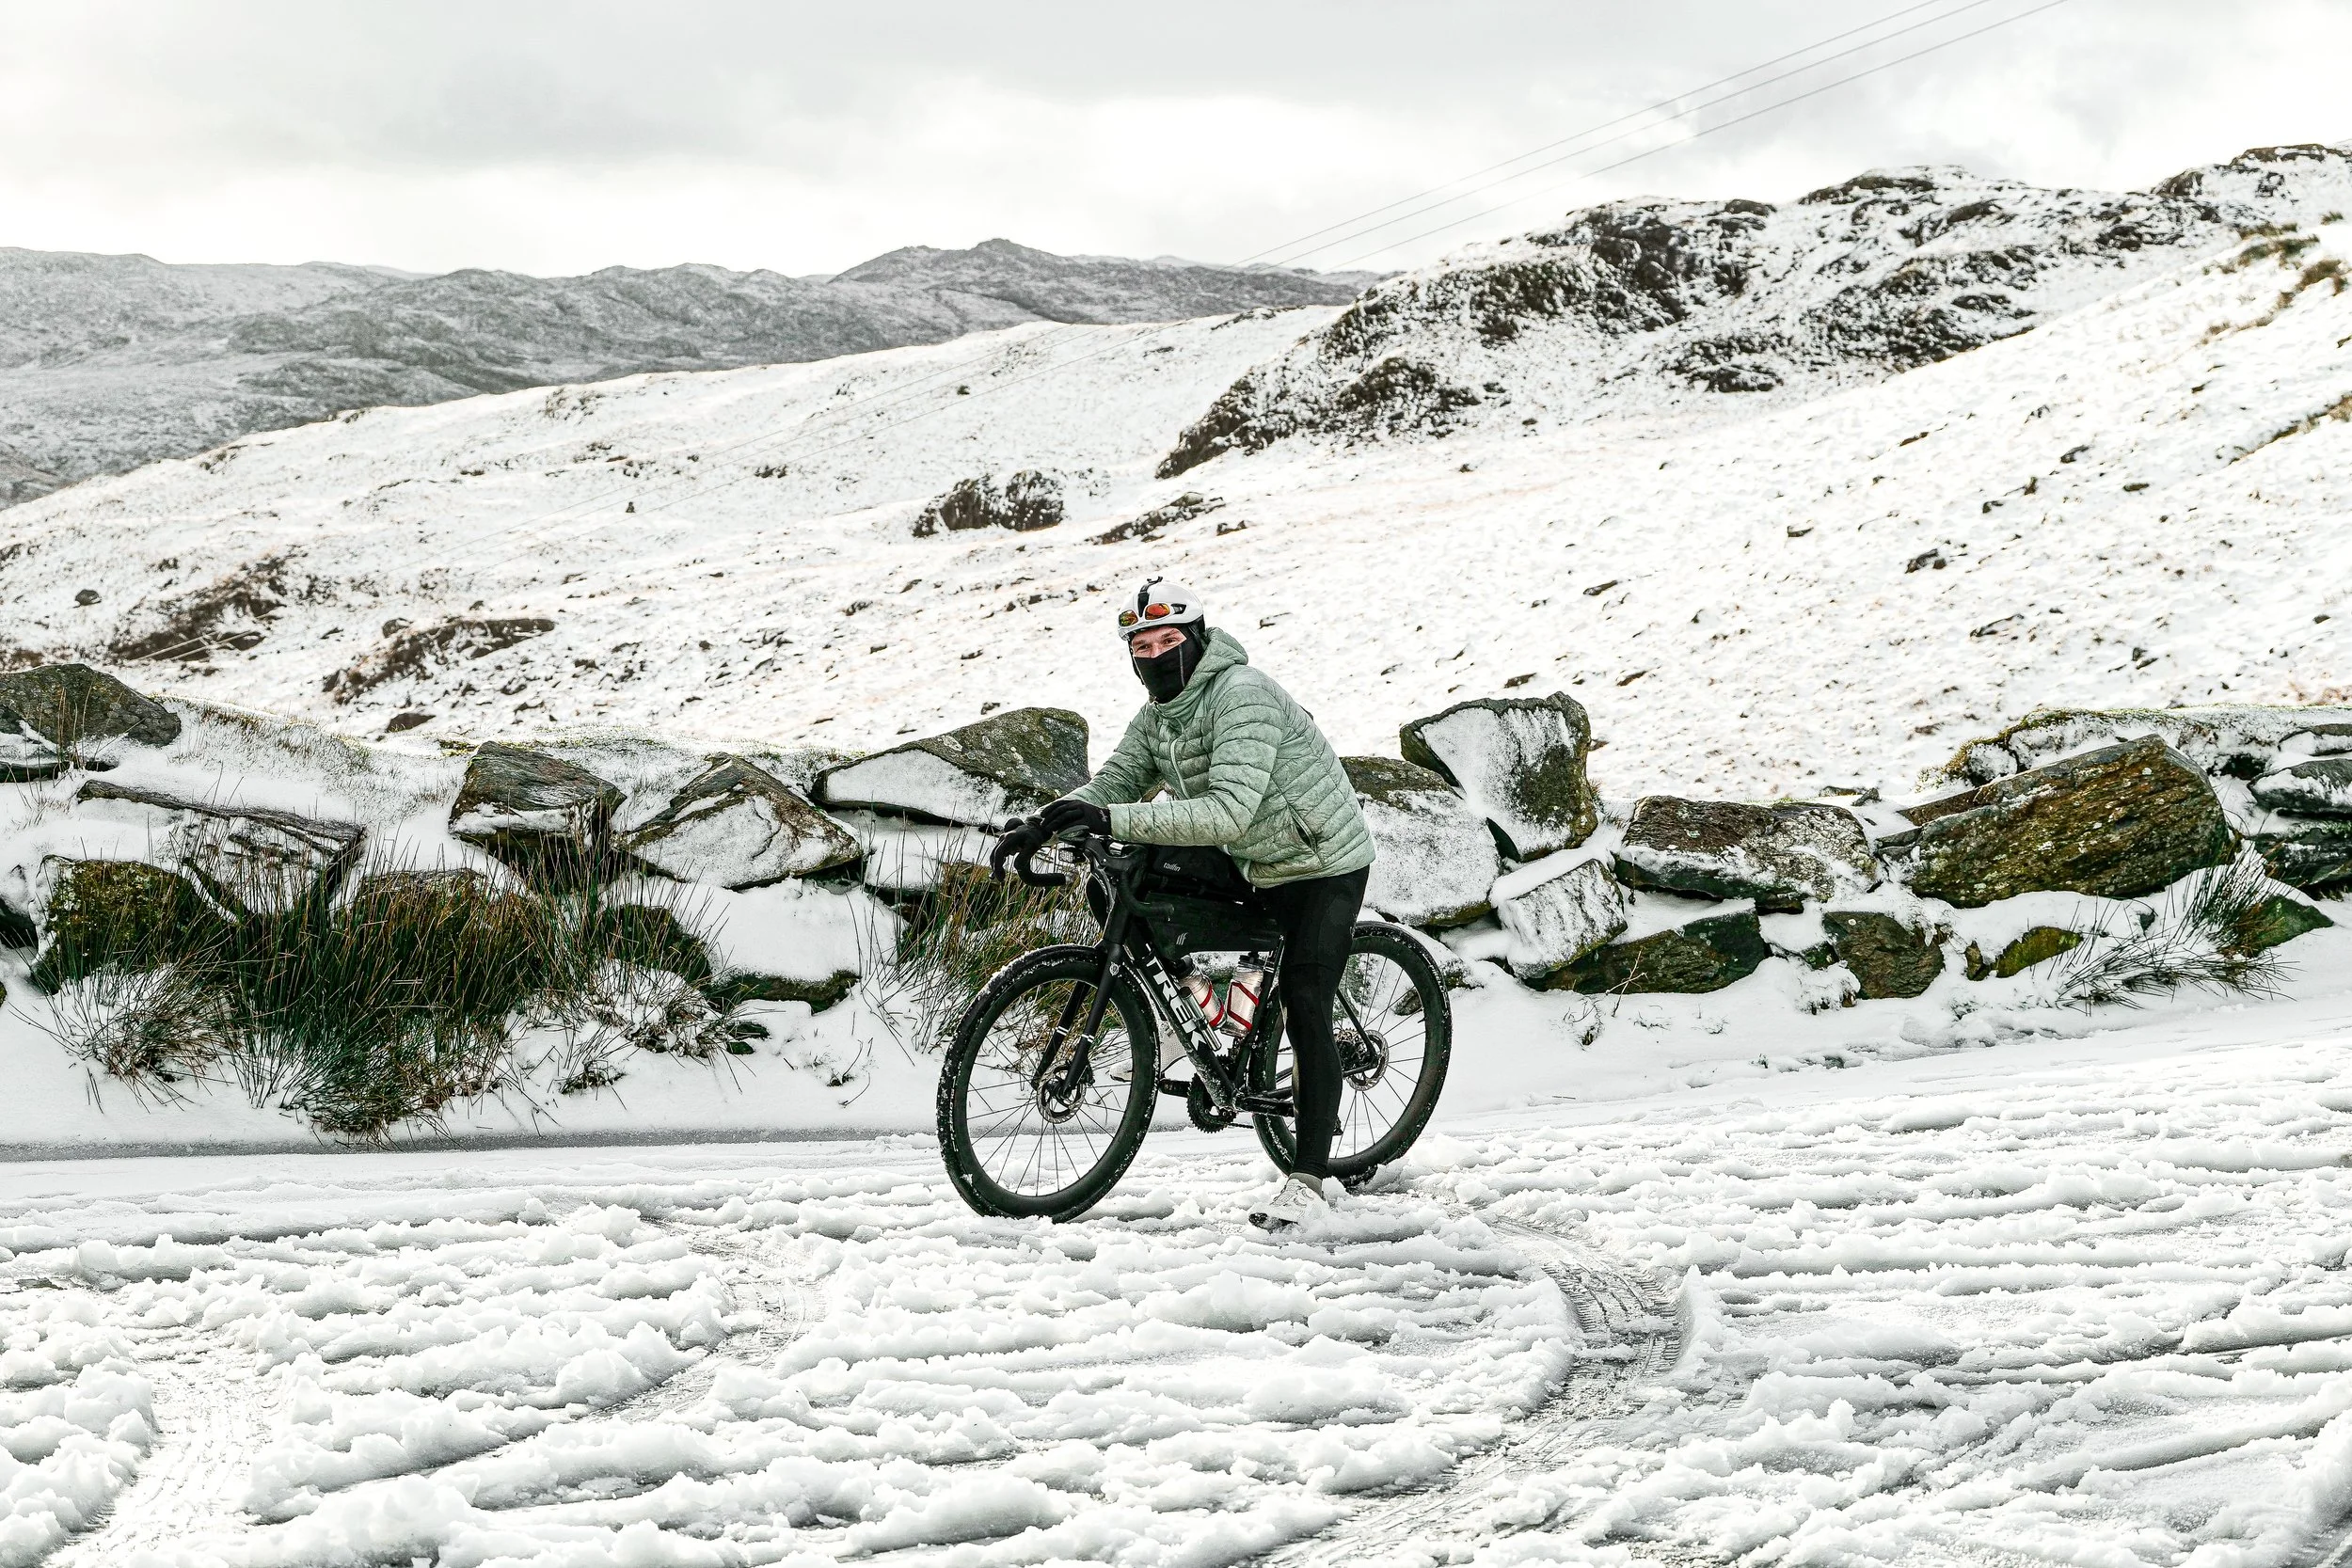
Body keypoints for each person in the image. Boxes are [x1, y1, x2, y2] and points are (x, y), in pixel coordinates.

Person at [991, 578, 1375, 1232]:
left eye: (1169, 640)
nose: (1156, 653)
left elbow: (1227, 811)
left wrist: (1110, 813)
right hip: (1253, 859)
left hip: (1320, 863)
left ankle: (1309, 1177)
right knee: (1132, 872)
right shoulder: (1159, 716)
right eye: (1143, 645)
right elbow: (1114, 783)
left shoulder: (1241, 694)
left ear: (1197, 642)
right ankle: (1215, 1016)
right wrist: (1047, 822)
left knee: (1307, 998)